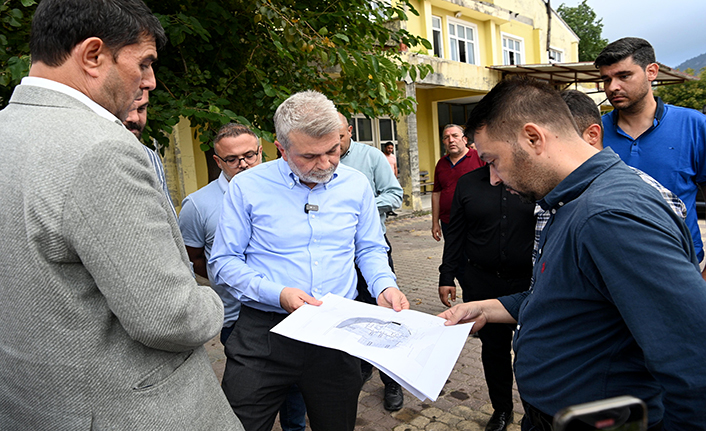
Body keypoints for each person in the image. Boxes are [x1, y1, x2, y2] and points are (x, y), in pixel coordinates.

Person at [0, 0, 242, 429]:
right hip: (124, 410)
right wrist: (215, 301)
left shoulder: (9, 129)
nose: (149, 80)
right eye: (144, 63)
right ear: (93, 55)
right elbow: (169, 317)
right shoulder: (100, 148)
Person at [439, 77, 706, 430]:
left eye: (494, 160)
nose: (496, 178)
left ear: (533, 138)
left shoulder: (610, 216)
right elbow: (566, 294)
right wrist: (486, 307)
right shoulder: (569, 200)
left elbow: (692, 361)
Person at [209, 90, 409, 431]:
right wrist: (278, 293)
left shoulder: (357, 184)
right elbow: (223, 262)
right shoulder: (247, 187)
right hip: (265, 333)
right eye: (310, 156)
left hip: (336, 334)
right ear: (281, 148)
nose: (326, 164)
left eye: (333, 150)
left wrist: (384, 285)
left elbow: (370, 248)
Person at [178, 123, 307, 431]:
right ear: (218, 161)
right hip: (238, 320)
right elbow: (193, 257)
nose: (243, 164)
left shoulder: (290, 189)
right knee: (250, 405)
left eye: (249, 155)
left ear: (262, 151)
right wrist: (230, 284)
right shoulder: (198, 204)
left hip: (293, 311)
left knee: (297, 397)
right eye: (232, 159)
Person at [595, 37, 706, 279]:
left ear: (651, 72)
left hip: (680, 268)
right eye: (606, 79)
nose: (612, 87)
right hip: (611, 271)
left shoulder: (694, 125)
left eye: (624, 76)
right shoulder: (594, 133)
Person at [438, 163, 535, 430]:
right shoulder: (468, 183)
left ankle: (536, 412)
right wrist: (447, 276)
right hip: (482, 283)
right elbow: (455, 233)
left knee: (532, 348)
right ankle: (502, 409)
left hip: (527, 283)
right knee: (494, 350)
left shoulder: (533, 179)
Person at [338, 113, 404, 411]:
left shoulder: (372, 157)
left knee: (383, 317)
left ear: (349, 131)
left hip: (371, 248)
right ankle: (361, 369)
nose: (333, 144)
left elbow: (394, 195)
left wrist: (360, 206)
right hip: (338, 255)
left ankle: (392, 382)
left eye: (338, 136)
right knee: (353, 317)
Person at [431, 124, 485, 291]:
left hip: (476, 223)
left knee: (477, 260)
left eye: (455, 136)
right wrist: (435, 223)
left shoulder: (479, 158)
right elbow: (436, 193)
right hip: (449, 223)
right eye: (446, 138)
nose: (451, 140)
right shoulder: (441, 164)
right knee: (457, 260)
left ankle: (480, 295)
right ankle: (469, 294)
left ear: (465, 139)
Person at [123, 89, 176, 218]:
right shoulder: (88, 155)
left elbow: (168, 219)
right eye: (126, 109)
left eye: (141, 109)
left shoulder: (151, 157)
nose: (134, 118)